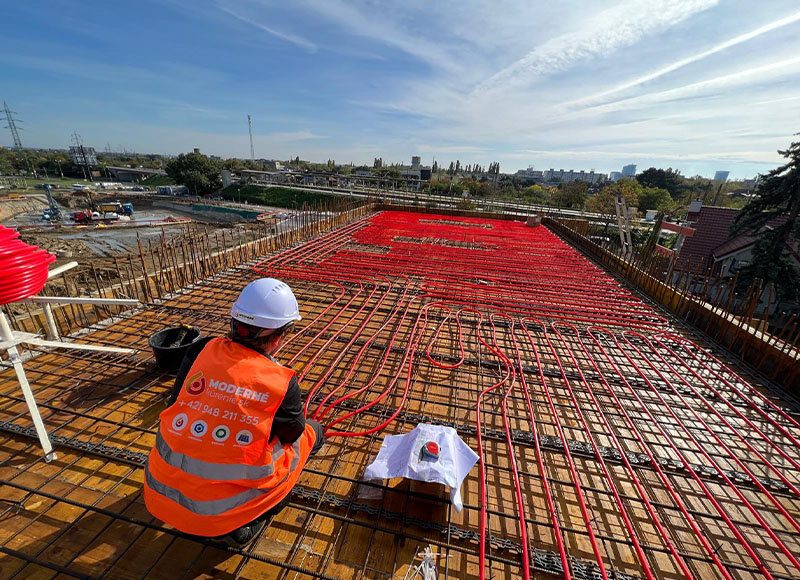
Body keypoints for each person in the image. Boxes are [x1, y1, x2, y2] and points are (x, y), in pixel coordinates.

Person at [143, 278, 325, 548]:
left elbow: (176, 401)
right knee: (309, 435)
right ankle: (243, 524)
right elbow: (292, 432)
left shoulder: (200, 350)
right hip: (216, 519)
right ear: (277, 338)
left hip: (158, 496)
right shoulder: (279, 381)